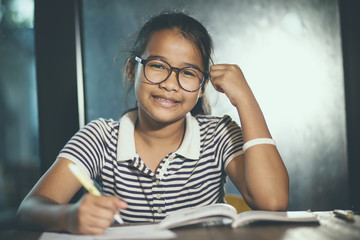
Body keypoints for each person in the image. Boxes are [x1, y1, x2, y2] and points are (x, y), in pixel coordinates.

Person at [17, 11, 289, 234]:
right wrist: (68, 216)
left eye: (189, 73)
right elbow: (29, 210)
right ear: (131, 69)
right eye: (158, 66)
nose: (170, 84)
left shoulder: (219, 134)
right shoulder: (99, 138)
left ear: (202, 86)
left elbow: (273, 201)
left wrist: (245, 99)